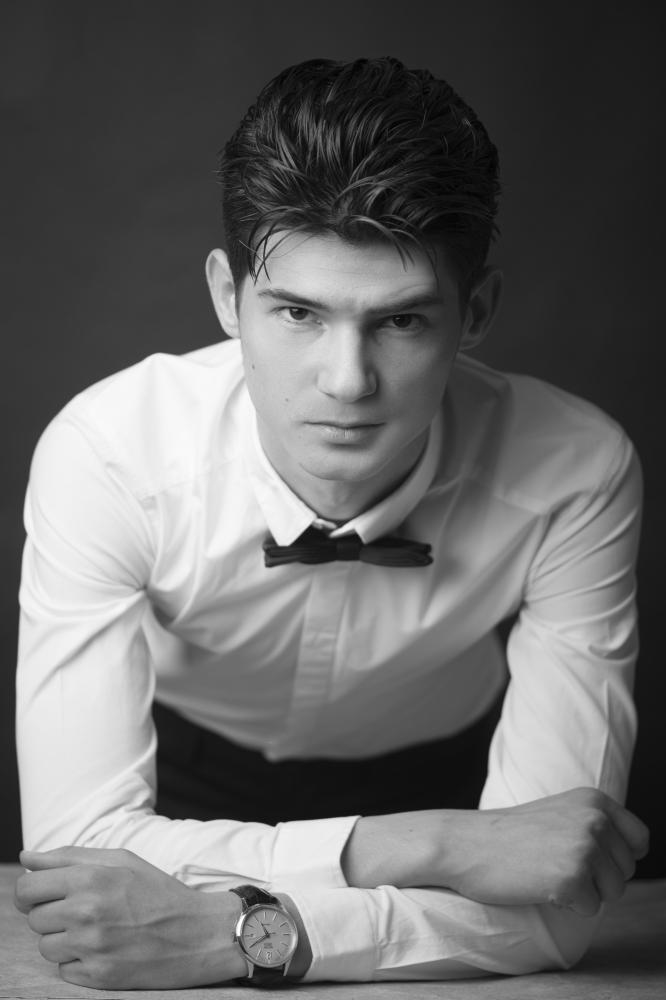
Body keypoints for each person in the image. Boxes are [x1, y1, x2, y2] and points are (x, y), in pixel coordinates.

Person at [14, 57, 649, 990]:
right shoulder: (110, 455)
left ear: (475, 311)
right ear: (228, 297)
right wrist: (434, 846)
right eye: (298, 313)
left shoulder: (576, 470)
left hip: (447, 773)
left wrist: (237, 934)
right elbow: (80, 859)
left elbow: (554, 896)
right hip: (195, 786)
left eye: (401, 322)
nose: (348, 383)